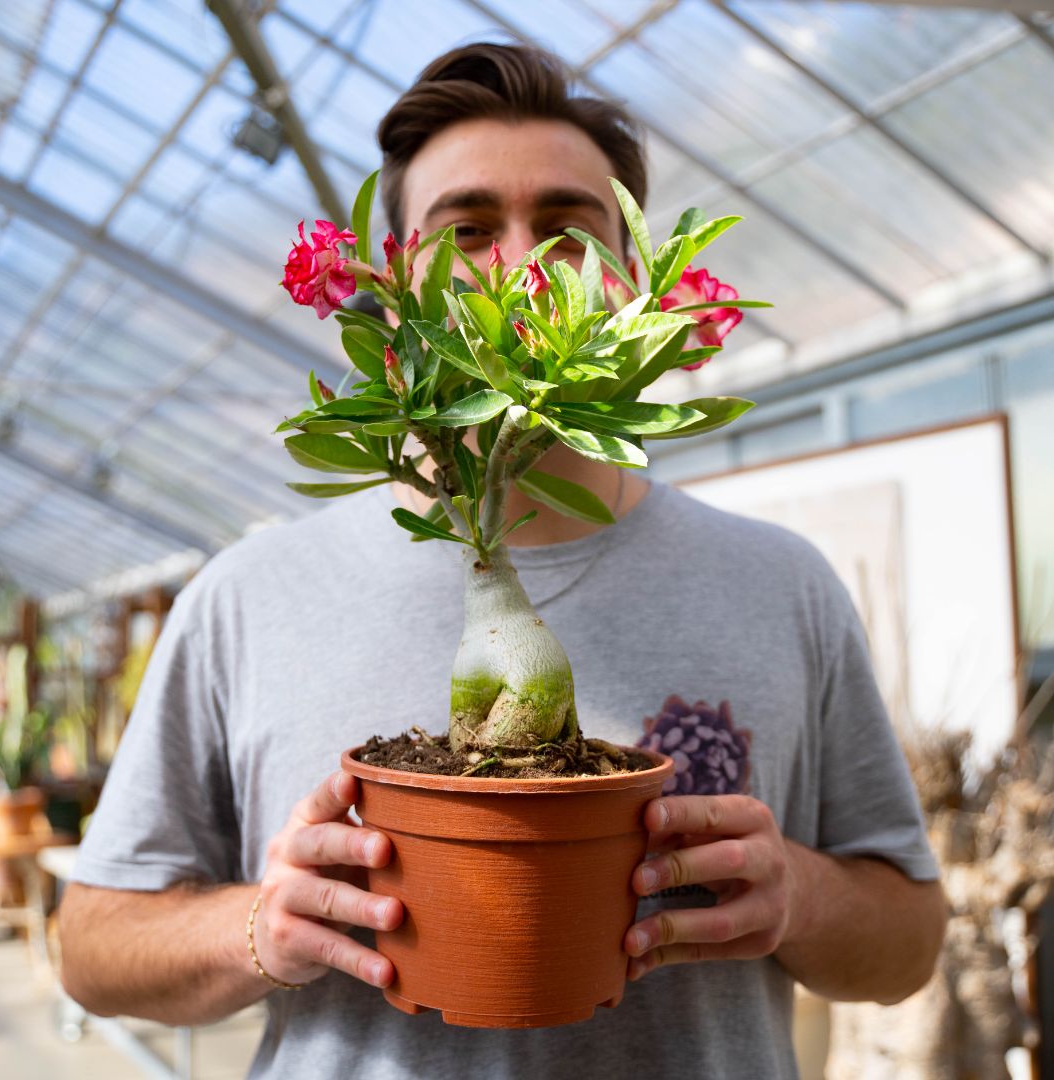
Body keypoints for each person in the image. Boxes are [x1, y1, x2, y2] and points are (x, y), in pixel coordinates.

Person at [59, 43, 946, 1079]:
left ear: (633, 284)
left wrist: (800, 893)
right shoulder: (246, 597)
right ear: (389, 285)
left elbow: (910, 941)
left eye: (569, 230)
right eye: (468, 227)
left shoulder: (783, 585)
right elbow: (88, 946)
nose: (521, 264)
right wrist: (260, 927)